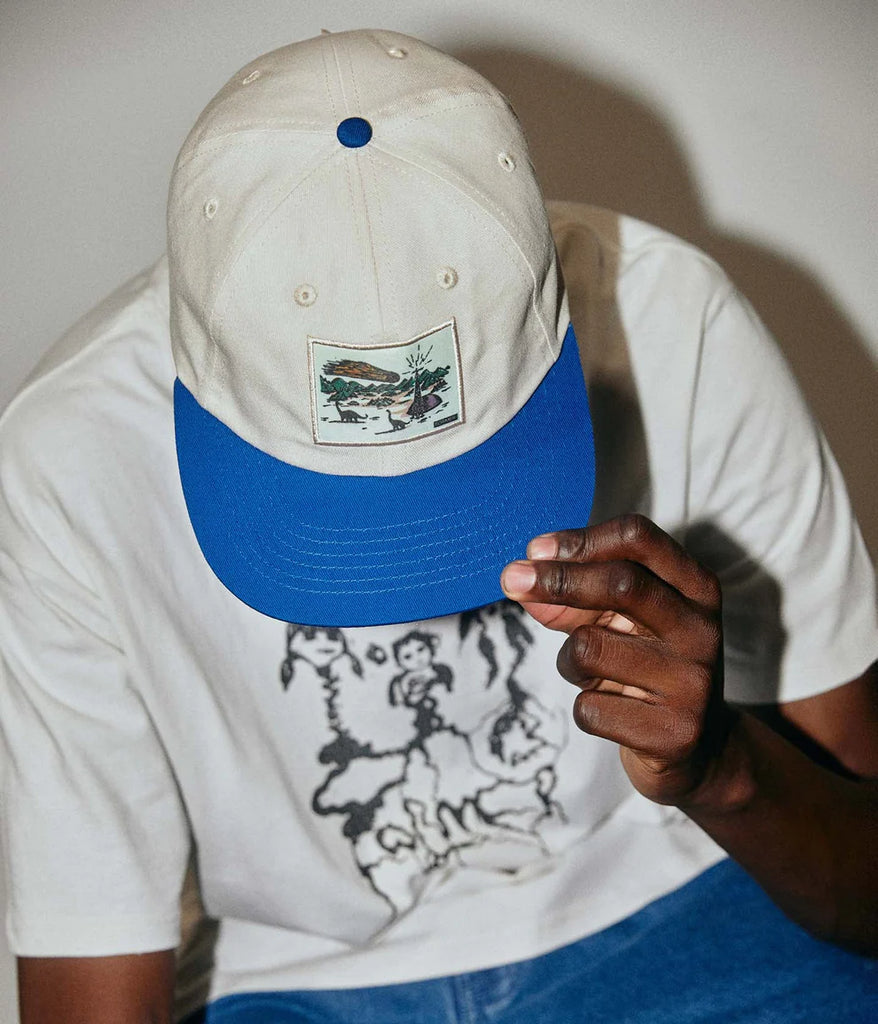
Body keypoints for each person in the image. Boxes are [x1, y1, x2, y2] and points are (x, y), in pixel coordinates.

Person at [1, 27, 876, 1024]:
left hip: (678, 898)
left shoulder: (676, 328)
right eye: (331, 499)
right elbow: (95, 970)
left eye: (473, 472)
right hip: (304, 988)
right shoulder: (69, 457)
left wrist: (720, 768)